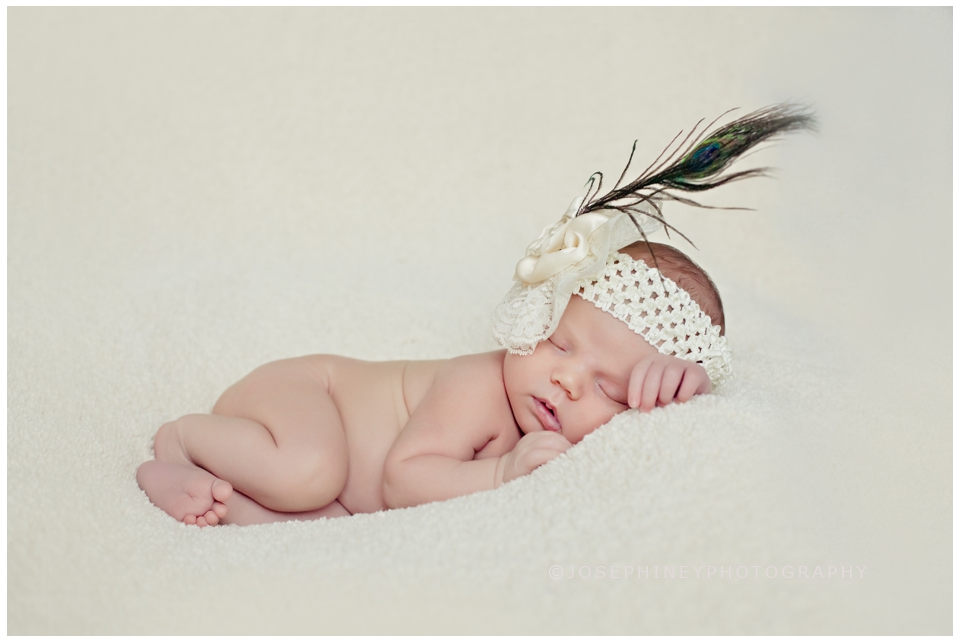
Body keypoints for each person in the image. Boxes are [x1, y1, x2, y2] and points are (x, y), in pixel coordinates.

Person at [136, 104, 811, 527]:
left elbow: (666, 424)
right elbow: (402, 478)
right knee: (307, 472)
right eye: (558, 344)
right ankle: (182, 440)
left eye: (610, 389)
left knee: (294, 520)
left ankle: (200, 486)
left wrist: (681, 386)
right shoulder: (479, 386)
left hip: (335, 485)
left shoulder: (564, 422)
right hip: (308, 396)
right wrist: (500, 474)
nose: (568, 380)